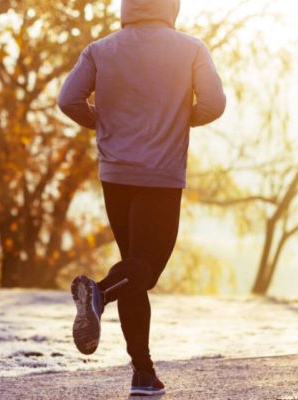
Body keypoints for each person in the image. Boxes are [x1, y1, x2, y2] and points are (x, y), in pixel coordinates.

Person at [58, 0, 225, 395]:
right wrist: (181, 117)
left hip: (115, 175)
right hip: (161, 176)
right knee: (144, 270)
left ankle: (144, 375)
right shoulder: (190, 49)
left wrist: (103, 122)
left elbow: (68, 100)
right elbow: (215, 103)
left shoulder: (101, 49)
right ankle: (97, 293)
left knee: (133, 269)